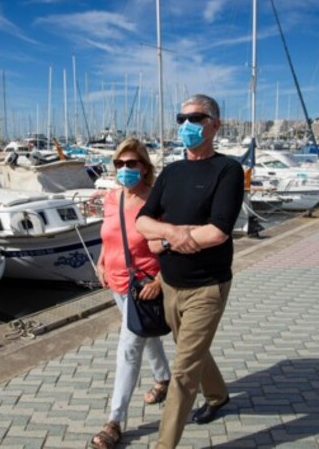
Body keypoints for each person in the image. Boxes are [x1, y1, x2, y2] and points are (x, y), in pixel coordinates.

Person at [136, 94, 244, 448]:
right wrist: (172, 233)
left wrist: (163, 240)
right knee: (190, 348)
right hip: (169, 283)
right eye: (180, 118)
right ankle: (218, 397)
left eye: (195, 118)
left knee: (183, 371)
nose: (186, 125)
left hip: (207, 287)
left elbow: (218, 231)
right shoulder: (172, 171)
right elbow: (143, 221)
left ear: (215, 124)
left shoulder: (227, 170)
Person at [90, 138, 172, 449]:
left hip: (144, 287)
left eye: (131, 163)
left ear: (145, 167)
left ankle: (115, 421)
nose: (124, 169)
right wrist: (101, 261)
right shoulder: (112, 199)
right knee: (146, 333)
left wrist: (161, 280)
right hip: (116, 283)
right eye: (119, 164)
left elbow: (170, 243)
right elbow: (109, 235)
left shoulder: (156, 201)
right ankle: (164, 378)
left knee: (128, 348)